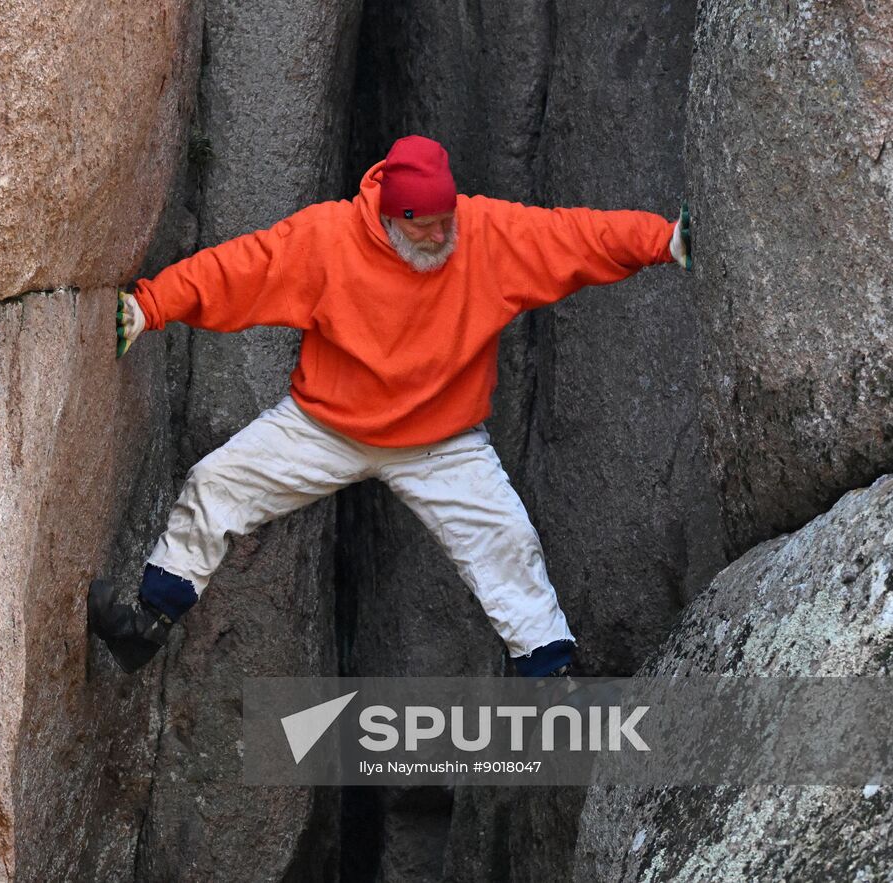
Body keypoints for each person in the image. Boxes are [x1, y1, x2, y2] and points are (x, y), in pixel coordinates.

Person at [88, 135, 691, 676]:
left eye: (444, 218)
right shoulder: (327, 238)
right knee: (215, 484)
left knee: (506, 542)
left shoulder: (486, 233)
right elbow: (241, 270)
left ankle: (551, 681)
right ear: (390, 216)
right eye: (423, 224)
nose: (439, 233)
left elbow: (578, 236)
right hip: (326, 427)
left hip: (442, 440)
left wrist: (664, 239)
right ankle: (146, 628)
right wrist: (151, 306)